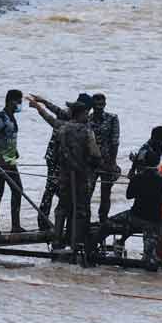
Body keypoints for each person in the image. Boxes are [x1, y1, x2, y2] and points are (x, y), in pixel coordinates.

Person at [32, 98, 100, 255]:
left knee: (62, 208)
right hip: (81, 176)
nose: (87, 116)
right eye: (85, 114)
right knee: (80, 209)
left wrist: (39, 108)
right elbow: (95, 154)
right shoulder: (86, 131)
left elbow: (50, 119)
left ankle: (57, 241)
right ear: (80, 114)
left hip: (64, 175)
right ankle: (76, 243)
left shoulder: (62, 127)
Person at [30, 93, 90, 231]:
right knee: (52, 188)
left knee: (58, 190)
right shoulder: (75, 118)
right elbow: (55, 112)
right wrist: (42, 103)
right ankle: (44, 221)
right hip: (56, 157)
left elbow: (55, 112)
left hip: (64, 160)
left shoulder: (80, 119)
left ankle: (58, 222)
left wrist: (42, 103)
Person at [126, 149, 162, 271]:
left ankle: (88, 253)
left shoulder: (138, 177)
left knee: (105, 226)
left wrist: (134, 182)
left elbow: (128, 195)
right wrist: (161, 201)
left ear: (143, 163)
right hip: (154, 220)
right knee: (150, 257)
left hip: (135, 217)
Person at [0, 89, 25, 236]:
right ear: (11, 101)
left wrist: (14, 151)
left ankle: (16, 226)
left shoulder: (12, 117)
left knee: (17, 190)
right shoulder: (0, 118)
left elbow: (8, 137)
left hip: (10, 161)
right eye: (19, 102)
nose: (20, 105)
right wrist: (1, 159)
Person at [87, 92, 121, 225]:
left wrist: (112, 163)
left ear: (105, 104)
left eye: (102, 104)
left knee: (106, 193)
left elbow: (115, 141)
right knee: (88, 192)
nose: (99, 107)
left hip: (107, 162)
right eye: (96, 104)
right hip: (91, 163)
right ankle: (86, 219)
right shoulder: (87, 119)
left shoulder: (112, 118)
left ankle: (103, 219)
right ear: (92, 105)